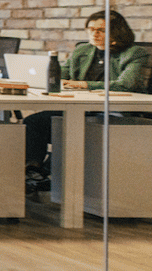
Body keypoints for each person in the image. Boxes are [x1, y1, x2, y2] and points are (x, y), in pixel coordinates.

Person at [23, 10, 150, 190]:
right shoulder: (83, 50)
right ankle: (33, 170)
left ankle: (47, 173)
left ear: (118, 32)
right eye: (91, 29)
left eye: (101, 30)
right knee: (34, 121)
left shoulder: (134, 53)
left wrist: (83, 85)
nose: (94, 34)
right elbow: (64, 75)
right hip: (80, 107)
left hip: (111, 111)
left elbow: (126, 84)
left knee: (67, 127)